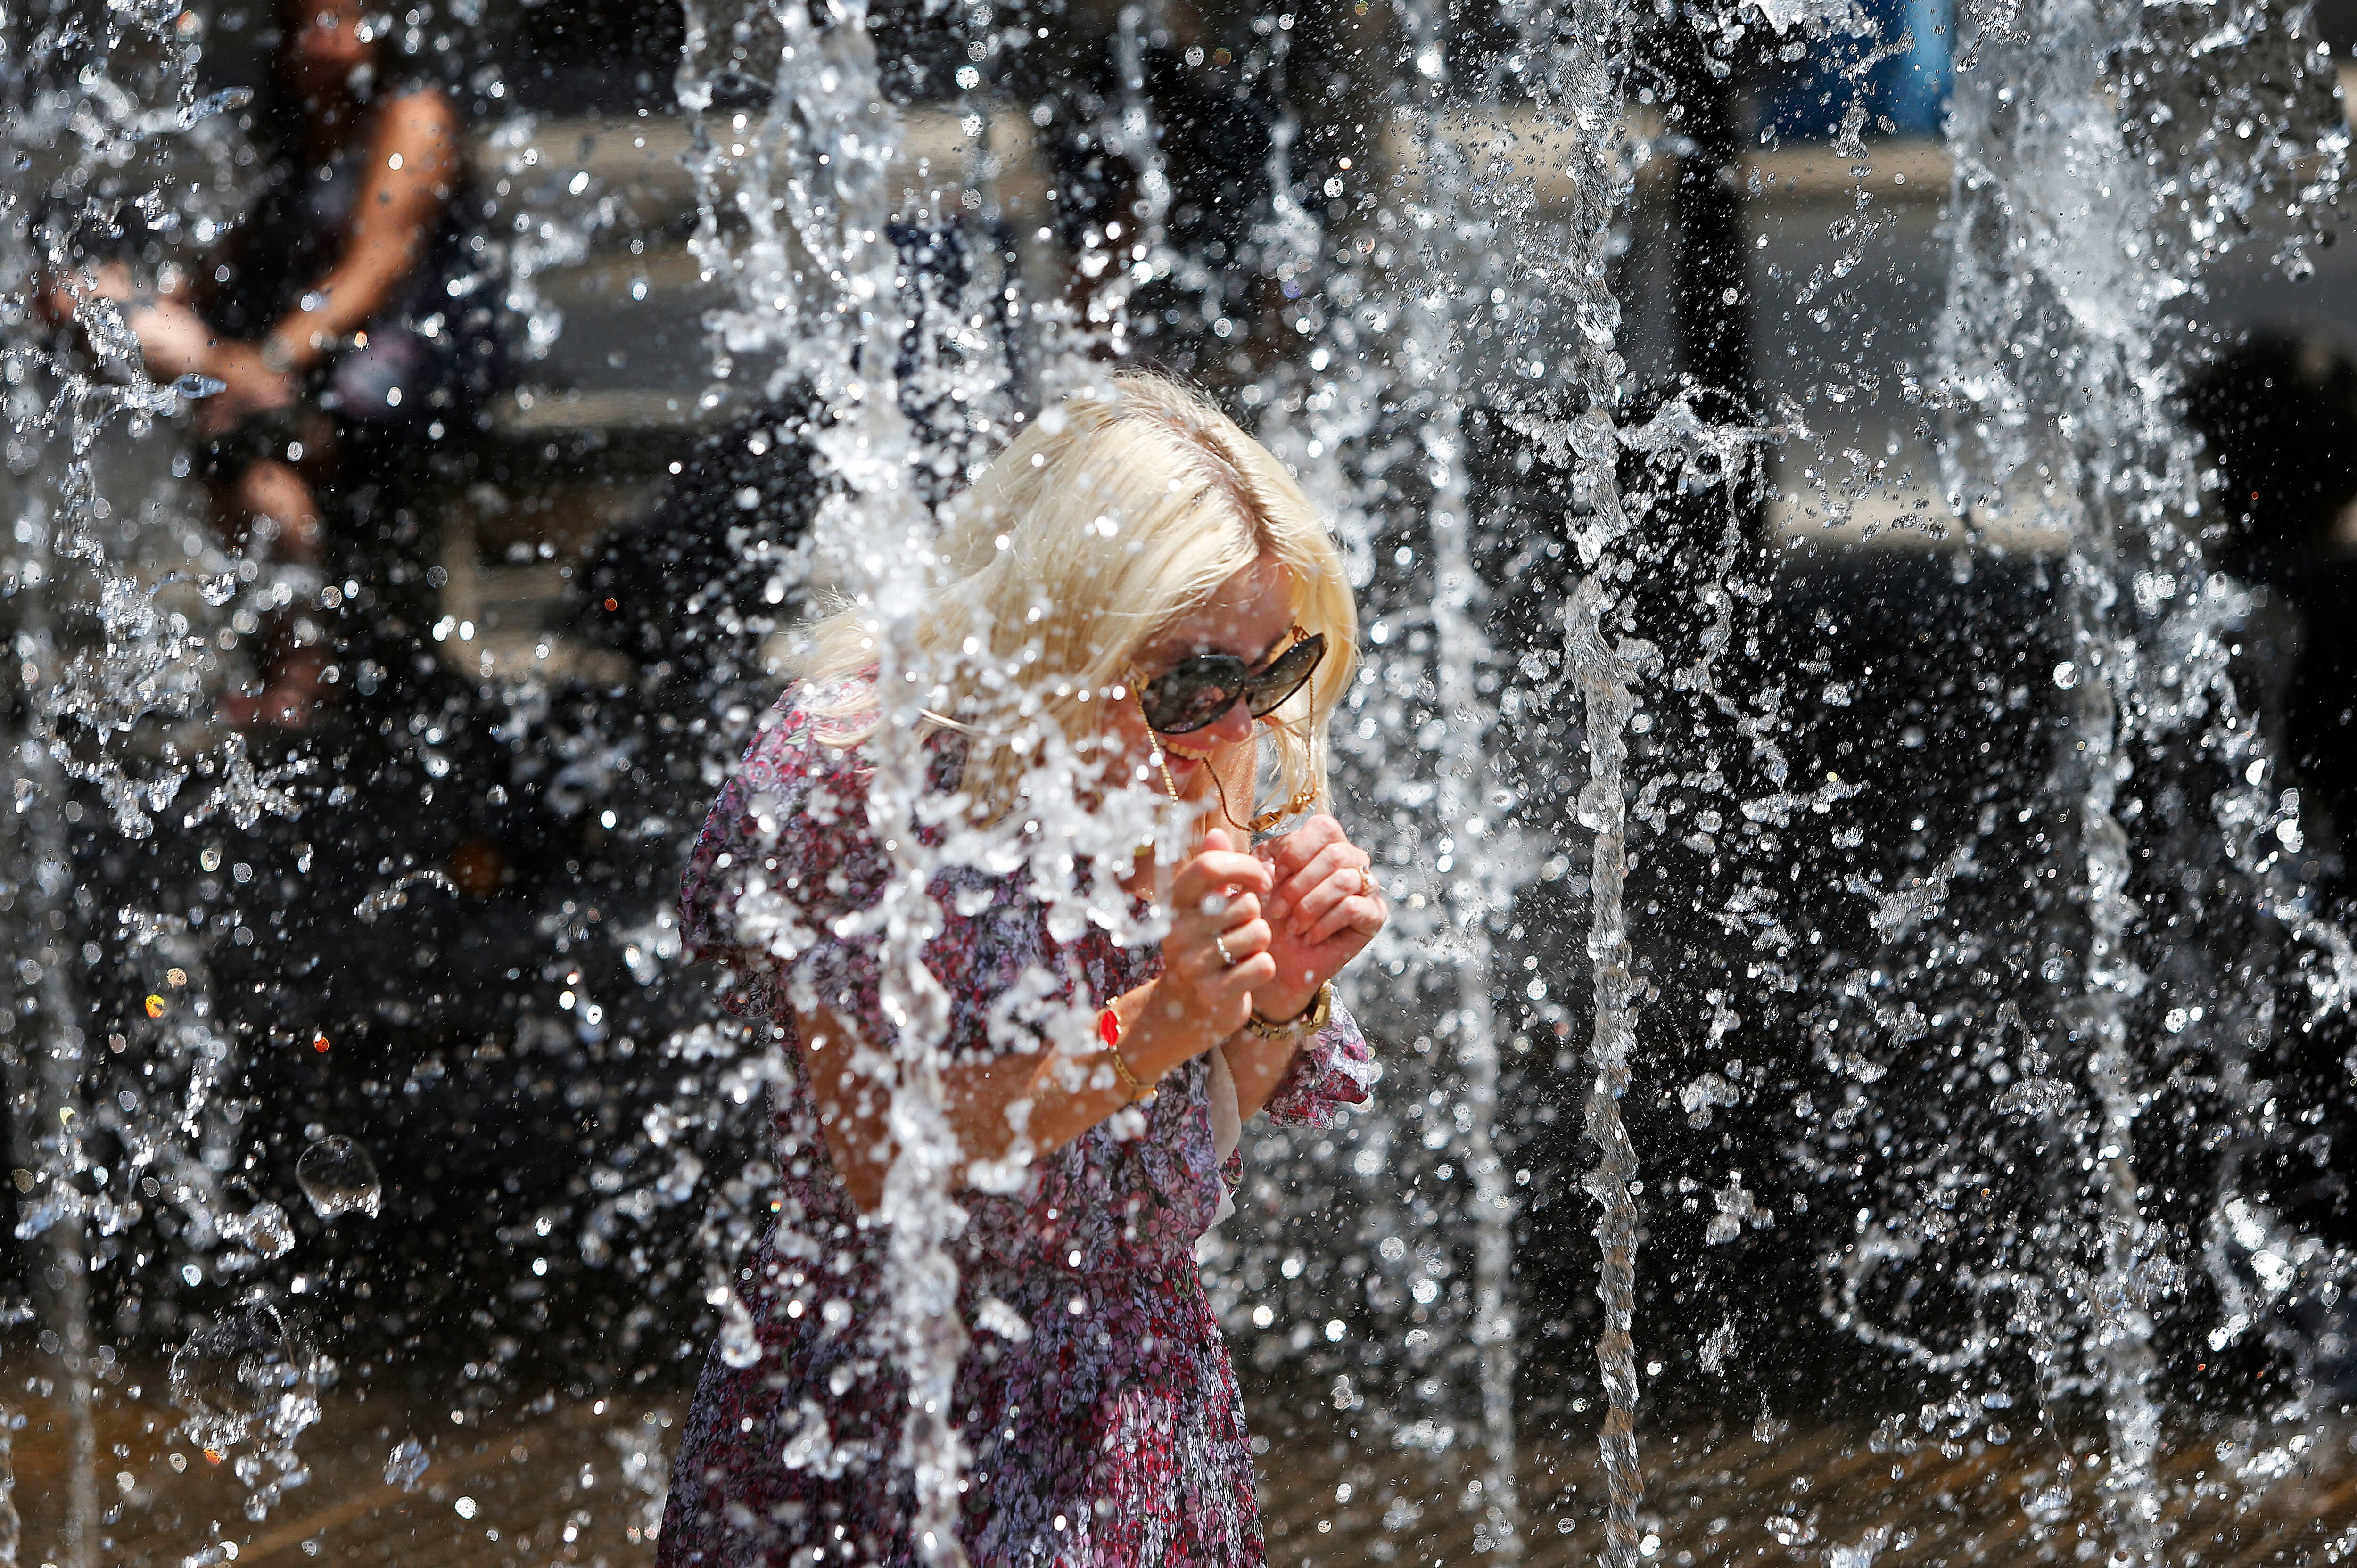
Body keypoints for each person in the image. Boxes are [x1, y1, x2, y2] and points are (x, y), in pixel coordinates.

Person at [664, 374, 1389, 1566]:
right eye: (1195, 679)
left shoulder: (1211, 759)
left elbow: (1184, 1147)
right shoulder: (850, 769)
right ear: (1069, 629)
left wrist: (1277, 996)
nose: (1235, 727)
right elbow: (883, 1154)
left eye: (1271, 672)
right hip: (883, 1400)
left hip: (1135, 1396)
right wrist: (1161, 1018)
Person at [52, 0, 478, 726]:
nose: (328, 43)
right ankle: (302, 666)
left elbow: (371, 273)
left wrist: (263, 361)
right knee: (93, 301)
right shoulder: (300, 131)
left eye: (345, 21)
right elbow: (241, 258)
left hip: (396, 361)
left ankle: (306, 669)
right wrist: (160, 297)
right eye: (311, 24)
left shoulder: (415, 115)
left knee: (246, 439)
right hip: (292, 361)